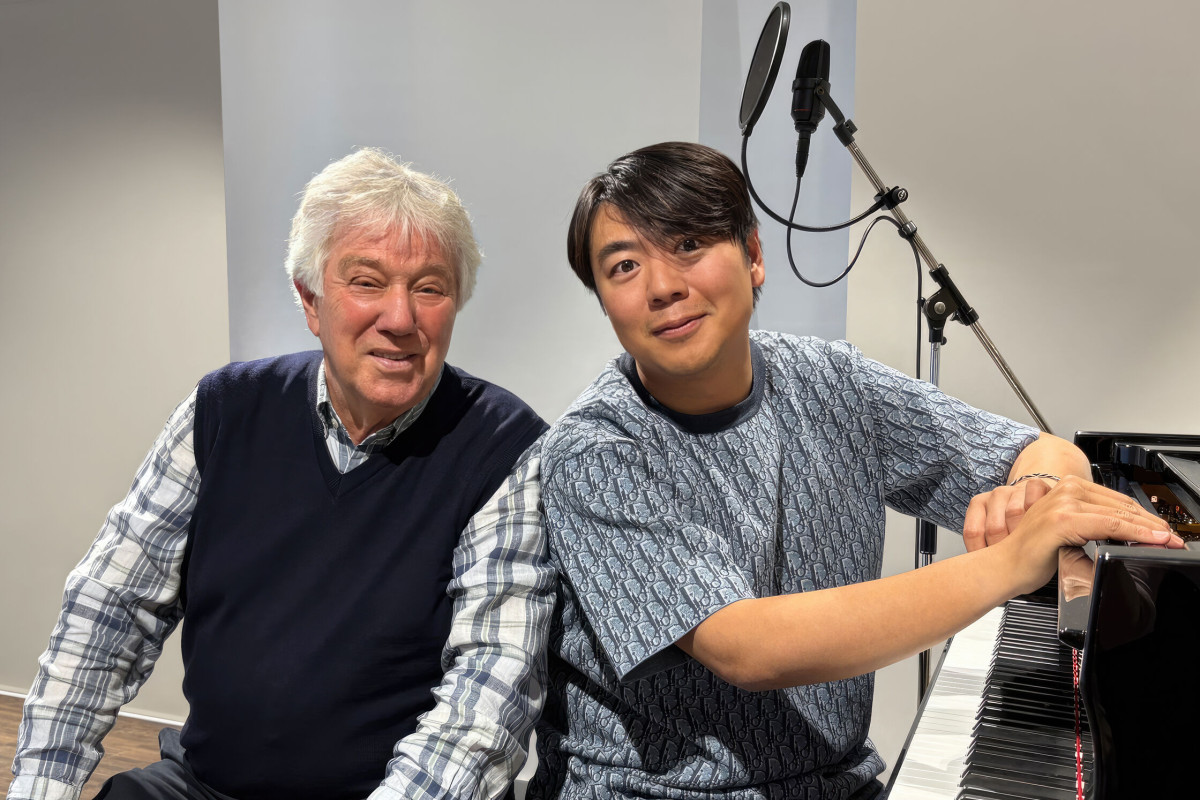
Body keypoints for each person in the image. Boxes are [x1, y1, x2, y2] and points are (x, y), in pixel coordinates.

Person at [527, 141, 1179, 800]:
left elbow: (1036, 449)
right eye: (625, 266)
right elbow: (748, 648)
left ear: (753, 256)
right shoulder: (596, 453)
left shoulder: (829, 380)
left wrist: (1034, 492)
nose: (663, 286)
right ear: (604, 300)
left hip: (839, 786)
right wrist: (1011, 563)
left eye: (690, 244)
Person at [9, 148, 551, 800]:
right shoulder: (223, 411)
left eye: (429, 288)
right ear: (309, 300)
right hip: (203, 784)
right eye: (367, 281)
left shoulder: (505, 447)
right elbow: (106, 616)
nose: (401, 318)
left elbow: (491, 687)